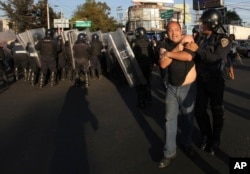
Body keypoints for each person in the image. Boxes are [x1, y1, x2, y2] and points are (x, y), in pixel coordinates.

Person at [185, 8, 231, 156]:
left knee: (217, 111)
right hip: (201, 81)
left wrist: (197, 50)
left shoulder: (224, 39)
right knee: (199, 110)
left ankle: (215, 139)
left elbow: (216, 58)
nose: (202, 25)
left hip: (216, 82)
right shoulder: (200, 38)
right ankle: (206, 134)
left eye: (204, 23)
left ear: (212, 23)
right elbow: (195, 55)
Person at [158, 21, 197, 168]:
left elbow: (187, 57)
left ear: (181, 30)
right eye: (170, 30)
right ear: (166, 32)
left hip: (188, 88)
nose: (173, 33)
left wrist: (169, 55)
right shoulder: (163, 45)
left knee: (188, 119)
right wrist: (178, 47)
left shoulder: (189, 40)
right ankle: (169, 152)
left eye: (176, 30)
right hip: (172, 88)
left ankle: (186, 144)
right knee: (169, 120)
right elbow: (163, 64)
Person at [131, 27, 152, 108]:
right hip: (147, 66)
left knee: (139, 85)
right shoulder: (148, 42)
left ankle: (141, 102)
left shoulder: (135, 42)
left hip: (139, 66)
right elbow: (152, 54)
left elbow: (132, 55)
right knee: (148, 83)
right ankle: (149, 99)